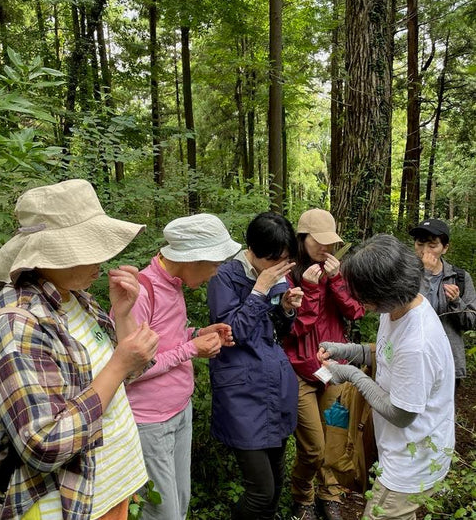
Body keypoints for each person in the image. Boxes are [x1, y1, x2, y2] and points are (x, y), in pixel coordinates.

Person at [0, 179, 159, 520]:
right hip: (68, 505)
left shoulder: (77, 299)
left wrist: (124, 314)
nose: (101, 257)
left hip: (111, 488)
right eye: (87, 247)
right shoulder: (15, 323)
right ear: (44, 255)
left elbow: (128, 373)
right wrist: (117, 364)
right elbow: (42, 443)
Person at [318, 234, 455, 520]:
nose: (360, 303)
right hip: (398, 450)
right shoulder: (398, 307)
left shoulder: (417, 343)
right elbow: (385, 354)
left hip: (411, 464)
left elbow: (402, 414)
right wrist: (348, 350)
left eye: (363, 297)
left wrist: (353, 375)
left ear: (383, 291)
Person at [125, 213, 241, 520]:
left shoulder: (173, 285)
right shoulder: (140, 293)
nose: (215, 273)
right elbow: (132, 369)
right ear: (193, 259)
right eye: (214, 264)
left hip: (179, 411)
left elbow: (166, 342)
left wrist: (199, 334)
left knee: (181, 502)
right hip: (151, 421)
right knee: (163, 513)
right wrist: (191, 349)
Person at [207, 212, 303, 520]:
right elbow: (232, 331)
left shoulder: (275, 274)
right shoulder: (224, 276)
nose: (281, 267)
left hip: (275, 388)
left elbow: (278, 331)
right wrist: (260, 289)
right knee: (260, 491)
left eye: (286, 260)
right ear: (254, 250)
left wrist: (286, 308)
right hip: (242, 396)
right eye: (276, 259)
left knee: (275, 485)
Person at [283, 208, 365, 520]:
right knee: (313, 446)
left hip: (335, 369)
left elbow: (356, 312)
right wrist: (313, 288)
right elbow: (296, 328)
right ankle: (302, 496)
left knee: (335, 439)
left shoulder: (337, 271)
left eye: (330, 243)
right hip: (300, 370)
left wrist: (337, 280)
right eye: (318, 242)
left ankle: (329, 494)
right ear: (302, 239)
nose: (326, 249)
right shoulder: (287, 274)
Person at [409, 218, 476, 387]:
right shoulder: (405, 275)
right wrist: (424, 276)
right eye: (420, 243)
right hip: (412, 358)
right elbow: (406, 314)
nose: (425, 251)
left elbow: (471, 321)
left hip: (447, 360)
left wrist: (456, 301)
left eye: (432, 245)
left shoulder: (459, 277)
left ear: (445, 248)